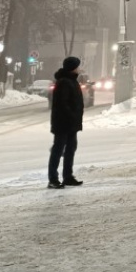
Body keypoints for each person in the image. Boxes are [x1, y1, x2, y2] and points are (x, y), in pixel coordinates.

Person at [47, 56, 85, 189]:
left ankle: (68, 176)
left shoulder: (72, 81)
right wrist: (72, 116)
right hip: (63, 123)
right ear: (72, 68)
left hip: (71, 123)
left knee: (70, 149)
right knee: (58, 150)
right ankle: (53, 179)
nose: (80, 68)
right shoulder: (64, 82)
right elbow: (63, 104)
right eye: (78, 66)